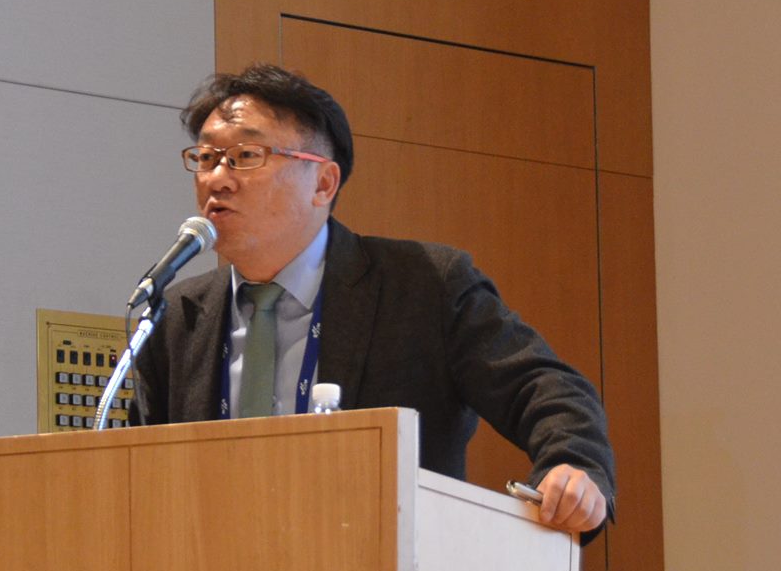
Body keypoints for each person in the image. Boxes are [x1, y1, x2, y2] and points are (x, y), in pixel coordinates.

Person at [132, 63, 614, 535]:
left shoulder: (425, 286)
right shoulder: (175, 317)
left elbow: (543, 386)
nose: (217, 178)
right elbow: (141, 476)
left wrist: (574, 465)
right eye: (206, 158)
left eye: (245, 156)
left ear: (323, 183)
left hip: (383, 566)